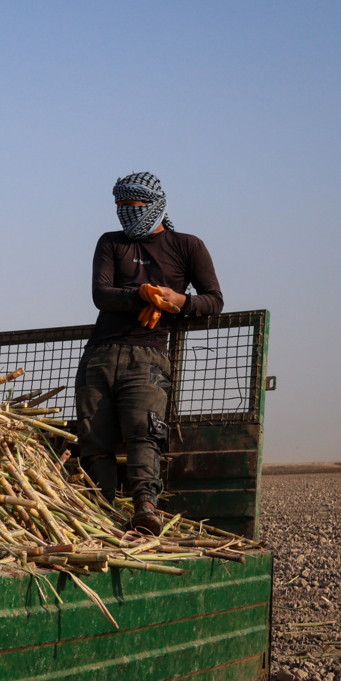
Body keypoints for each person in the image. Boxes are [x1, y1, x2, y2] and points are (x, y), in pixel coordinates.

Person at [75, 171, 223, 536]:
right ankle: (98, 511)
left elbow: (214, 300)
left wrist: (180, 301)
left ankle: (145, 508)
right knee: (94, 439)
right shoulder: (110, 243)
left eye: (134, 205)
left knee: (145, 434)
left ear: (156, 204)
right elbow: (101, 294)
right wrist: (140, 294)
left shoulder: (188, 245)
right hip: (99, 354)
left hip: (149, 356)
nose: (126, 212)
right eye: (120, 205)